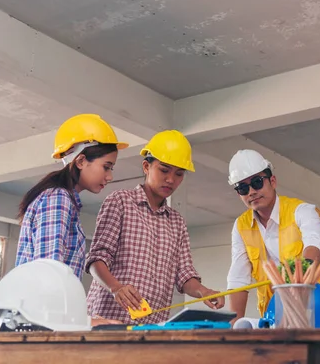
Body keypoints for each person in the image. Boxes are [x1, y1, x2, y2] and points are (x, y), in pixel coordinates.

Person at [85, 130, 225, 324]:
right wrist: (116, 288)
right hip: (108, 322)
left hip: (151, 328)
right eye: (164, 170)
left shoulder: (177, 222)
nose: (171, 179)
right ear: (146, 166)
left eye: (179, 174)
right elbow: (96, 259)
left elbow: (184, 275)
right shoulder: (120, 202)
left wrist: (205, 292)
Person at [225, 149, 320, 325]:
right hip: (281, 316)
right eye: (242, 188)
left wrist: (297, 278)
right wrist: (234, 326)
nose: (251, 192)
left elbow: (315, 245)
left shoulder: (302, 211)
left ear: (273, 181)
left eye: (257, 183)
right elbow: (238, 278)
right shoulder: (241, 226)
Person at [15, 113, 128, 281]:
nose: (110, 176)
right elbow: (48, 270)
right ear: (81, 161)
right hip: (46, 305)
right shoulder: (58, 199)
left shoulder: (61, 199)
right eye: (106, 167)